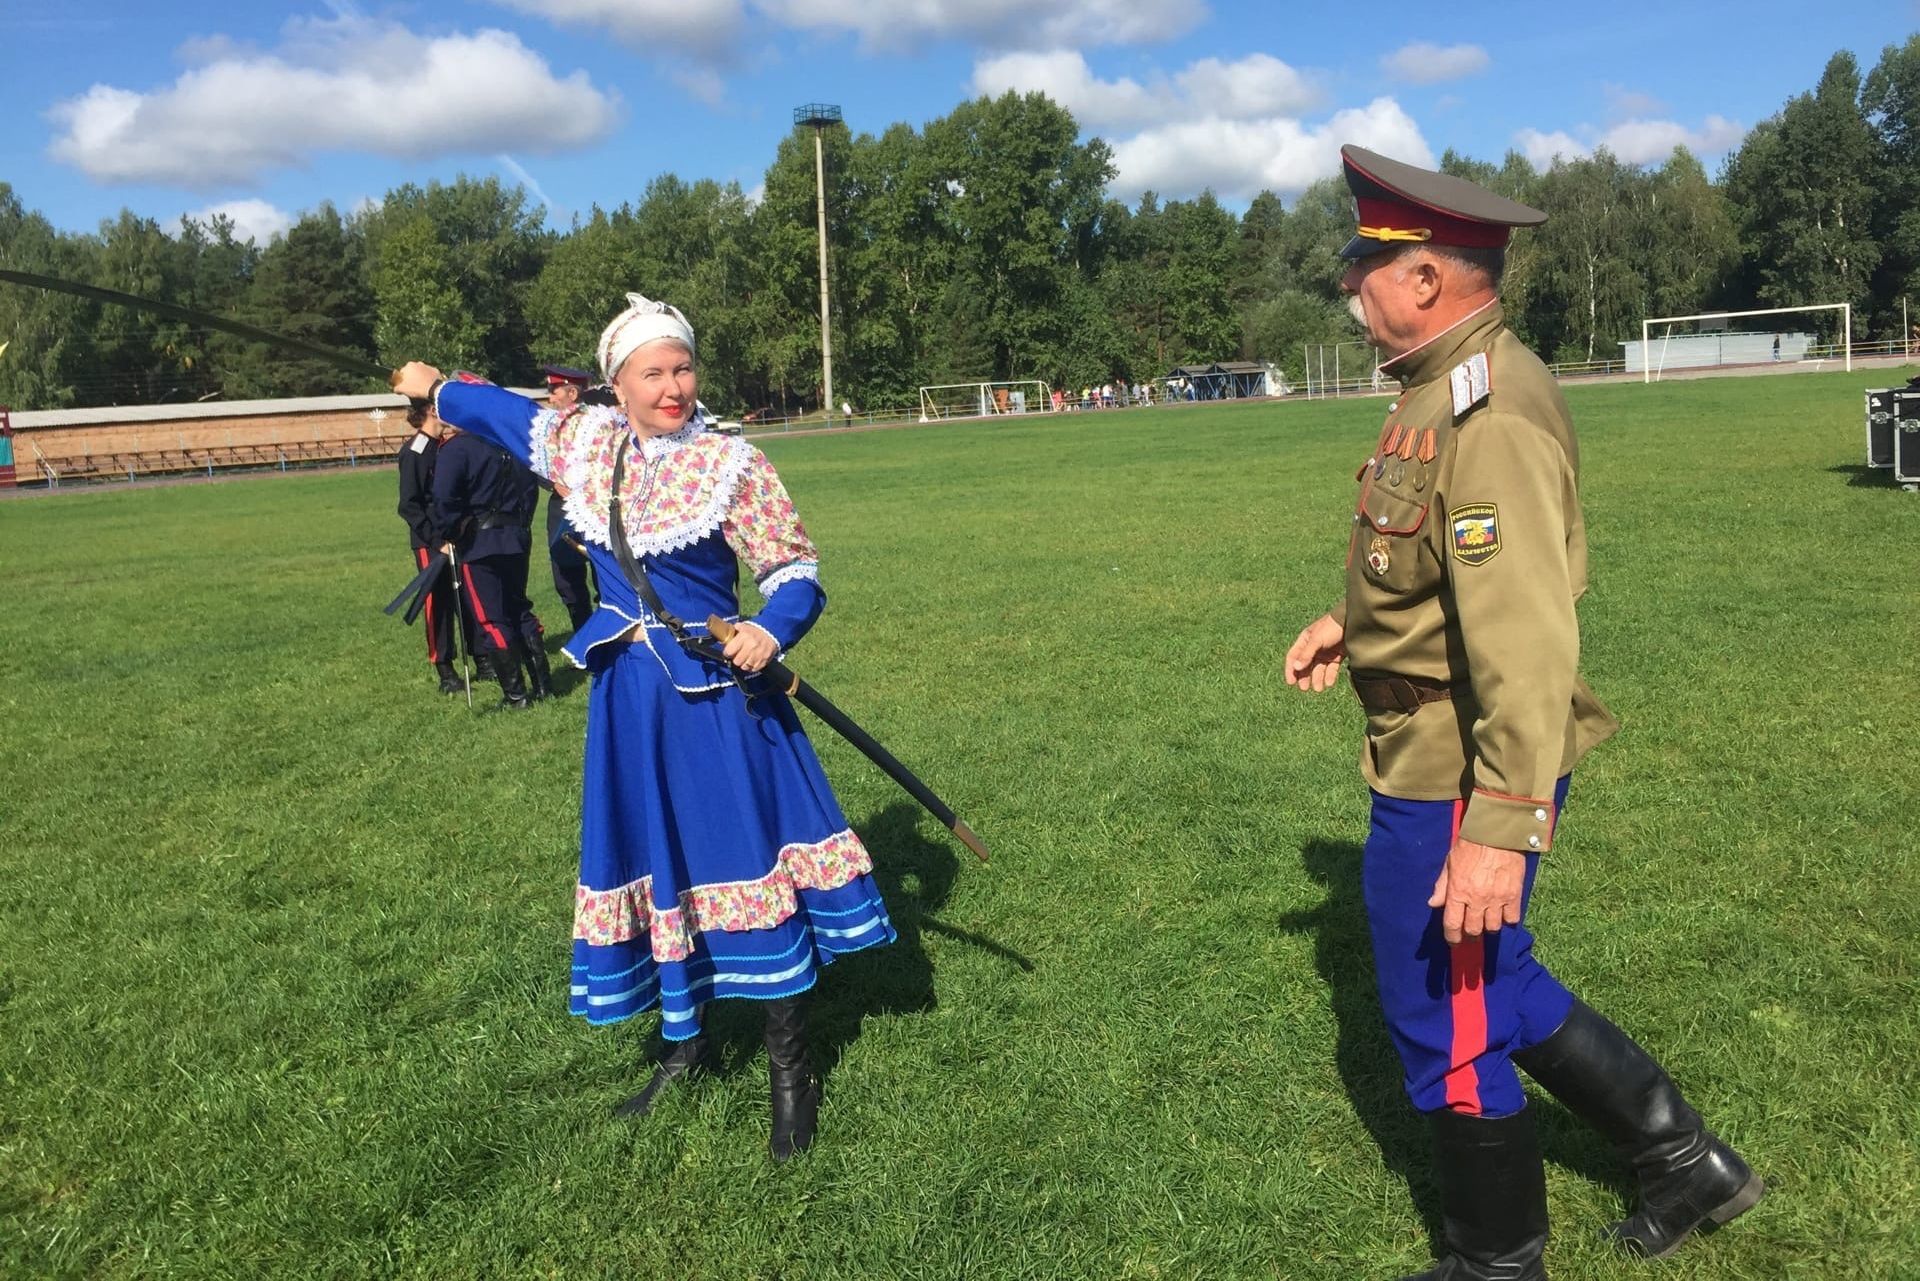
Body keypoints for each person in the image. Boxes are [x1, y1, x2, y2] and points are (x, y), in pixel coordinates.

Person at [1282, 145, 1762, 1280]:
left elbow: (1529, 638)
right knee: (1493, 982)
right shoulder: (1448, 385)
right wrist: (1351, 623)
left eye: (1366, 273)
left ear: (1428, 281)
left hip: (1462, 770)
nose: (1354, 296)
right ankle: (1686, 1159)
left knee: (1440, 1021)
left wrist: (1500, 826)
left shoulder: (1486, 413)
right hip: (1444, 745)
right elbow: (1447, 570)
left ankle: (1497, 1262)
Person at [392, 293, 896, 1161]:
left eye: (683, 367)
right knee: (661, 864)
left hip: (718, 701)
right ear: (615, 385)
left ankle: (790, 1069)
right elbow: (497, 409)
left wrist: (768, 627)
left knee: (745, 861)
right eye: (652, 372)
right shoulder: (583, 444)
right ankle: (686, 1045)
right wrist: (439, 386)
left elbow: (794, 570)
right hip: (630, 701)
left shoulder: (733, 462)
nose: (673, 386)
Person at [428, 421, 551, 708]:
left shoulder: (457, 448)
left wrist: (450, 531)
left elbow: (444, 497)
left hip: (479, 542)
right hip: (516, 536)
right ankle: (543, 685)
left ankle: (516, 695)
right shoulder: (510, 441)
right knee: (519, 609)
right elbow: (529, 489)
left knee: (491, 617)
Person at [395, 399, 478, 694]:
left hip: (454, 537)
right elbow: (409, 505)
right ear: (432, 410)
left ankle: (481, 655)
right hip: (431, 541)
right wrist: (436, 541)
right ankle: (445, 668)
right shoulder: (416, 450)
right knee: (439, 603)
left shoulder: (444, 446)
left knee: (467, 597)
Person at [540, 364, 599, 632]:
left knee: (606, 574)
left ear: (572, 393)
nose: (550, 397)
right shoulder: (548, 427)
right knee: (567, 578)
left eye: (554, 390)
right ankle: (584, 635)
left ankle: (613, 636)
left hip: (595, 508)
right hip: (561, 509)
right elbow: (535, 465)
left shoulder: (599, 423)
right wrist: (553, 481)